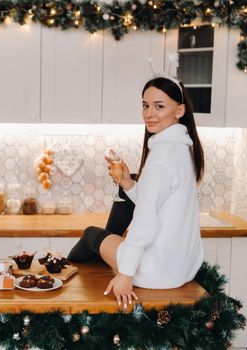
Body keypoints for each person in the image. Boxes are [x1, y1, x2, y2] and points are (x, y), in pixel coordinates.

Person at [68, 76, 205, 308]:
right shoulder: (182, 149)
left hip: (153, 271)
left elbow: (145, 222)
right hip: (180, 268)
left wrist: (126, 274)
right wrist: (128, 184)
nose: (149, 113)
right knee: (107, 233)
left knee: (91, 235)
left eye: (159, 106)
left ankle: (62, 269)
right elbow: (154, 205)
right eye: (145, 105)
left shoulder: (161, 156)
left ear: (179, 110)